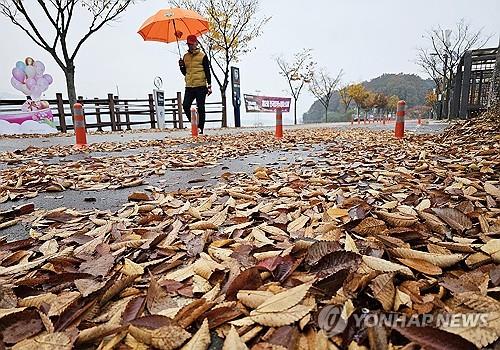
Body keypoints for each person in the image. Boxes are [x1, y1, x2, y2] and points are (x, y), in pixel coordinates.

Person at [179, 35, 212, 134]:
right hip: (189, 86)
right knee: (185, 105)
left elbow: (207, 71)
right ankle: (194, 124)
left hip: (201, 85)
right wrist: (181, 66)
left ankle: (200, 128)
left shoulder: (203, 56)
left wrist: (209, 86)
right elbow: (185, 72)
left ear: (196, 43)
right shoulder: (185, 57)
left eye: (192, 44)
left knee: (201, 107)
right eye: (188, 44)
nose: (190, 46)